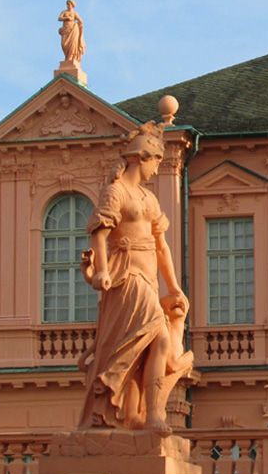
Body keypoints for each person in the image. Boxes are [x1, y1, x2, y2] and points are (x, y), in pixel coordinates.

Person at [78, 120, 191, 434]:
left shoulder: (149, 199)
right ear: (141, 156)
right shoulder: (115, 192)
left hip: (149, 278)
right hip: (127, 277)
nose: (157, 168)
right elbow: (99, 235)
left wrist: (174, 286)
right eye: (156, 161)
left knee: (145, 349)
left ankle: (139, 415)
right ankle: (152, 416)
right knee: (161, 338)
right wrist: (101, 269)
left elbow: (162, 246)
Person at [58, 0, 86, 64]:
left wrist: (78, 25)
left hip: (73, 30)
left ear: (72, 5)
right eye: (67, 4)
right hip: (65, 29)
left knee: (72, 45)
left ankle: (70, 57)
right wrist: (66, 18)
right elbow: (59, 18)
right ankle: (67, 56)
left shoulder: (74, 13)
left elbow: (81, 21)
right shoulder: (64, 12)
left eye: (69, 4)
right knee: (64, 44)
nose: (68, 6)